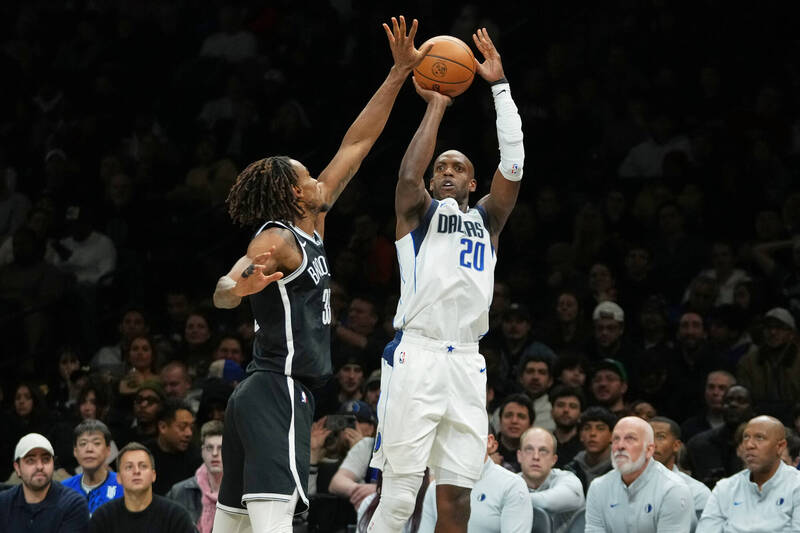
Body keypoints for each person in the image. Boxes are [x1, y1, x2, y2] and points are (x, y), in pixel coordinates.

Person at [210, 16, 433, 532]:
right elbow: (226, 287)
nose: (320, 179)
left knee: (232, 525)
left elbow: (357, 144)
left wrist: (398, 73)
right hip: (278, 388)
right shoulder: (276, 239)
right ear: (295, 193)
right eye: (310, 176)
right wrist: (238, 287)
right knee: (275, 521)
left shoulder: (312, 222)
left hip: (263, 392)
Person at [369, 27, 525, 533]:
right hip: (417, 354)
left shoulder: (489, 219)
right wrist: (436, 106)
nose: (448, 172)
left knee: (457, 497)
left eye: (458, 167)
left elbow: (514, 164)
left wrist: (499, 88)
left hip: (468, 362)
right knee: (399, 496)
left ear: (473, 182)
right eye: (442, 167)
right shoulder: (418, 212)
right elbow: (407, 177)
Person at [585, 416, 692, 532]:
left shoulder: (673, 489)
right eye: (616, 439)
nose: (620, 446)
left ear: (649, 450)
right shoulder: (598, 487)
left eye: (630, 439)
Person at [697, 415, 800, 532]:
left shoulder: (796, 486)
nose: (749, 445)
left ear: (780, 446)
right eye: (746, 437)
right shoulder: (725, 488)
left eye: (760, 437)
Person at [418, 431, 532, 532]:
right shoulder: (436, 487)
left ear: (489, 442)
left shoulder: (512, 485)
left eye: (468, 433)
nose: (461, 442)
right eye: (455, 436)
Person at [89, 442, 195, 533]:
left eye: (143, 466)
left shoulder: (175, 516)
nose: (136, 471)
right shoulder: (103, 517)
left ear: (153, 475)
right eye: (129, 467)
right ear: (119, 478)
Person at [0, 433, 89, 531]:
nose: (39, 466)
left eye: (46, 459)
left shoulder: (73, 504)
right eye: (30, 460)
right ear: (17, 468)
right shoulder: (3, 502)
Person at [517, 427, 584, 533]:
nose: (536, 456)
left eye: (543, 451)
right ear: (519, 456)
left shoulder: (569, 480)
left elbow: (546, 502)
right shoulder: (509, 483)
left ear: (554, 460)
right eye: (529, 449)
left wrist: (509, 499)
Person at [167, 420, 224, 533]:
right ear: (202, 451)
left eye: (221, 448)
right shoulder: (180, 491)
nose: (214, 453)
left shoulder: (241, 492)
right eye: (209, 447)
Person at [649, 416, 710, 515]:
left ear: (676, 445)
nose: (652, 444)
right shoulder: (626, 484)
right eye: (648, 437)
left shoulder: (697, 492)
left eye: (660, 437)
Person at [61, 419, 124, 514]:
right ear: (75, 451)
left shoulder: (124, 485)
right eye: (83, 444)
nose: (89, 449)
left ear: (108, 450)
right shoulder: (64, 489)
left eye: (96, 443)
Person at [144, 398, 201, 495]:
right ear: (163, 427)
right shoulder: (142, 454)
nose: (189, 433)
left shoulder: (197, 458)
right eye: (182, 427)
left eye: (191, 427)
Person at [564, 407, 616, 494]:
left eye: (600, 428)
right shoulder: (570, 470)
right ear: (580, 435)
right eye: (587, 428)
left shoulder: (620, 470)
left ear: (612, 436)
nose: (592, 433)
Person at [550, 385, 585, 467]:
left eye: (572, 406)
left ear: (581, 414)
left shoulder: (586, 447)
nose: (566, 410)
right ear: (551, 411)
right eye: (560, 405)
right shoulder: (543, 443)